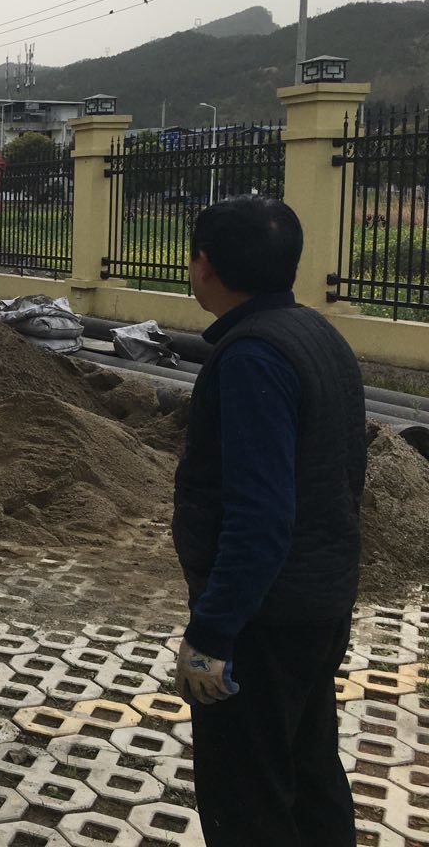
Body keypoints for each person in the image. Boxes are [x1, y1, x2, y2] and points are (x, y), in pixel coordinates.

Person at [170, 195, 366, 847]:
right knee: (310, 775)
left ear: (206, 265)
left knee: (248, 799)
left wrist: (213, 631)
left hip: (263, 624)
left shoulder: (253, 357)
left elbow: (260, 515)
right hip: (318, 605)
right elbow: (345, 477)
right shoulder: (318, 334)